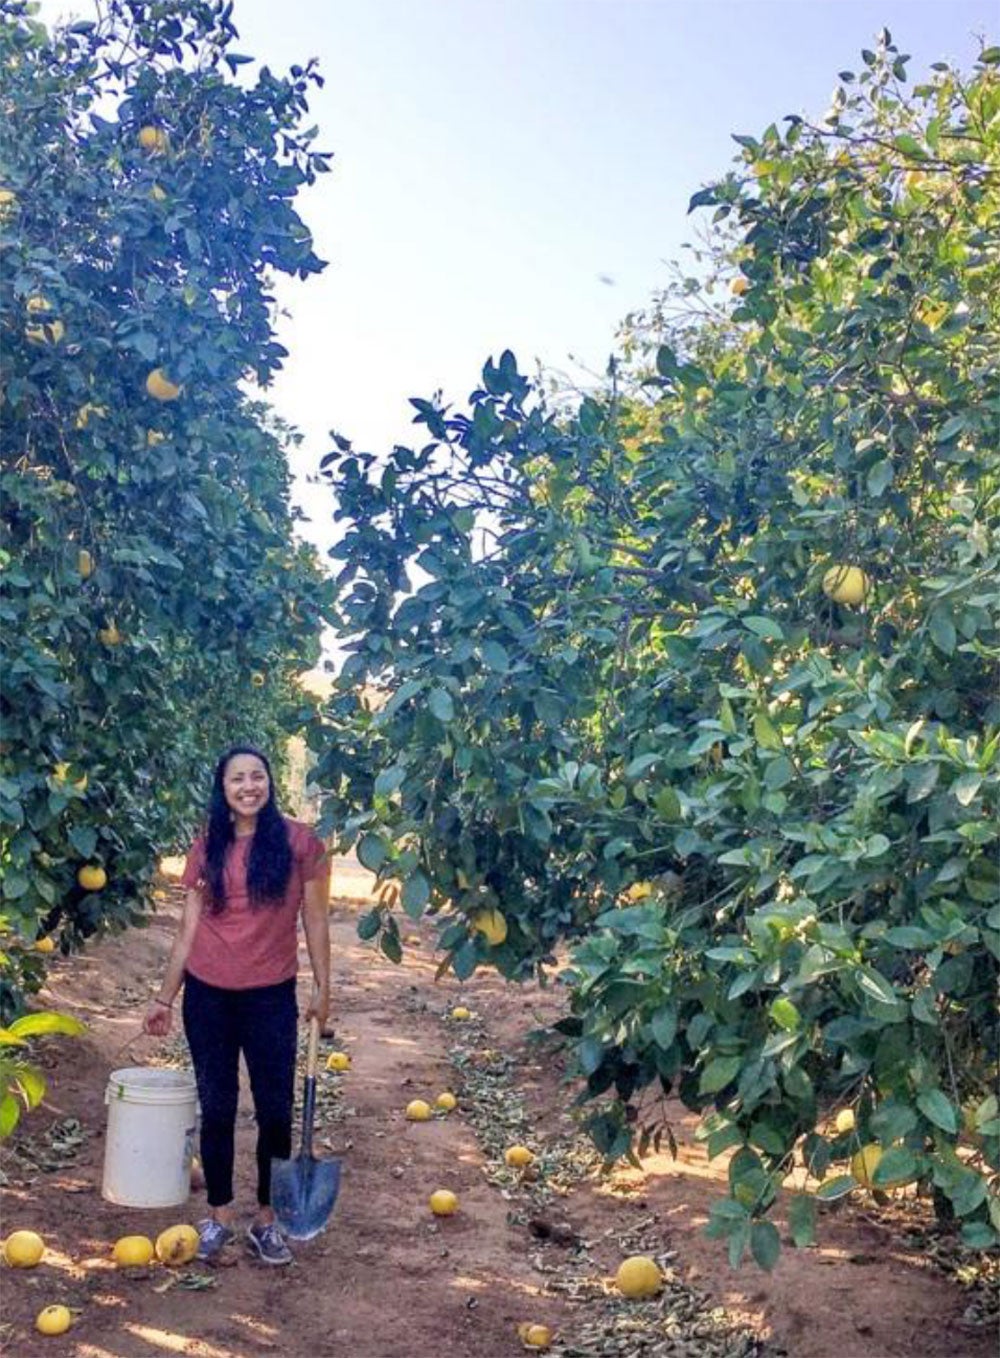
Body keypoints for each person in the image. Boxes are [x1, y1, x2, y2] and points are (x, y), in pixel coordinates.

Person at [143, 745, 331, 1266]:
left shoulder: (301, 844)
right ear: (222, 789)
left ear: (269, 783)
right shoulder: (206, 848)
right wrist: (164, 997)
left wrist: (323, 985)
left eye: (257, 777)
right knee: (219, 1107)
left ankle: (267, 1220)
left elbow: (315, 920)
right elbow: (187, 932)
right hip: (208, 996)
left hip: (271, 995)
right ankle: (220, 1215)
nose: (249, 786)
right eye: (237, 780)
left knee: (274, 1110)